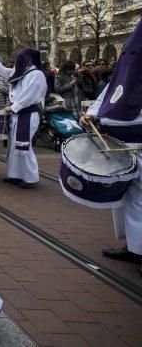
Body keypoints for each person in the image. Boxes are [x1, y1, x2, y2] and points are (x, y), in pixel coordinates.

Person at [80, 17, 142, 277]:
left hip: (138, 143)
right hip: (116, 143)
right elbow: (106, 98)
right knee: (127, 199)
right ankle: (134, 246)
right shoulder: (123, 73)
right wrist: (91, 115)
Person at [0, 46, 48, 188]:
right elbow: (2, 70)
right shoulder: (20, 72)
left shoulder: (36, 74)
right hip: (18, 114)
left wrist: (13, 107)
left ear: (30, 60)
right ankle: (15, 174)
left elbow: (30, 95)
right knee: (14, 147)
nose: (17, 61)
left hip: (28, 113)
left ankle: (30, 177)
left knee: (23, 146)